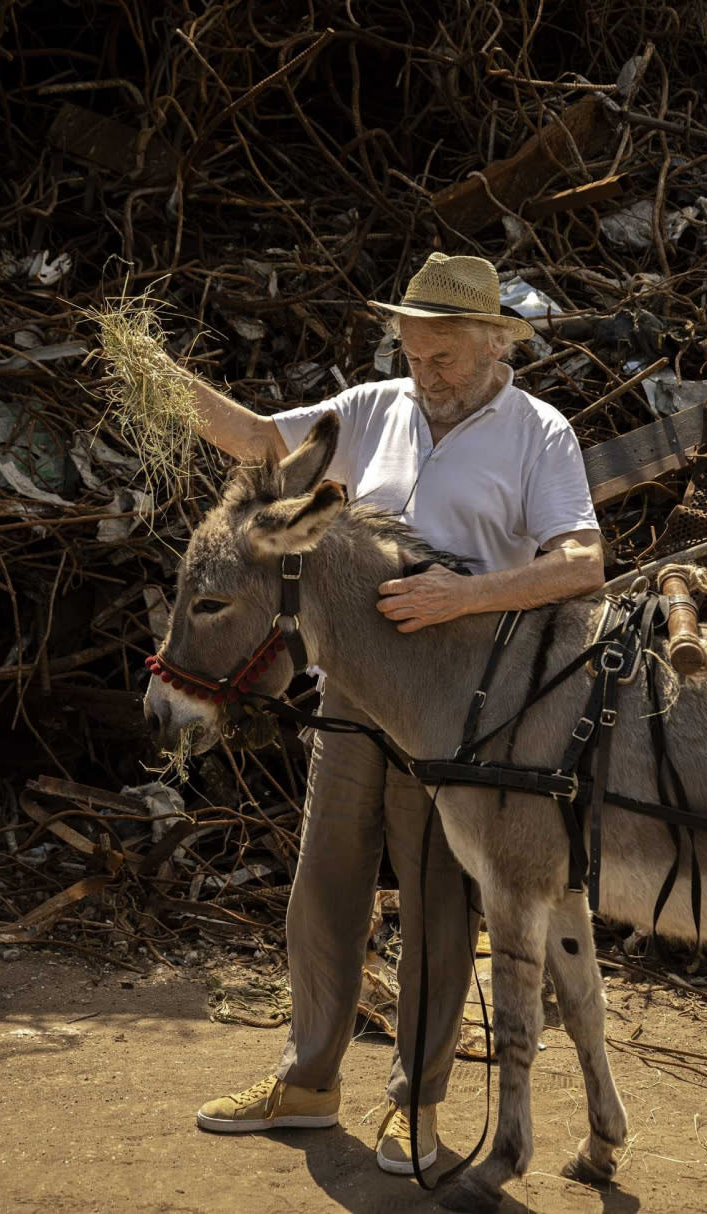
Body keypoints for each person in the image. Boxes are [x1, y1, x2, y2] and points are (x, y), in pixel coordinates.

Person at [183, 253, 604, 1171]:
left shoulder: (540, 433)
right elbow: (260, 439)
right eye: (414, 353)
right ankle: (306, 1080)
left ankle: (416, 1101)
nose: (427, 373)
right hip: (353, 691)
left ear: (498, 346)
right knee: (323, 883)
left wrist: (466, 597)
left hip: (461, 710)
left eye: (446, 357)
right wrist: (150, 378)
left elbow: (581, 565)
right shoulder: (374, 408)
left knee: (437, 903)